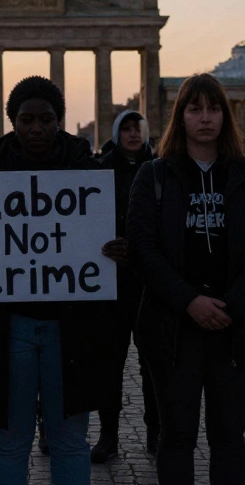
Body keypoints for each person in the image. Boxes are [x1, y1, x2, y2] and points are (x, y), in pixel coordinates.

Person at [0, 76, 121, 485]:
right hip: (7, 326)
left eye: (46, 119)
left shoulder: (88, 167)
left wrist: (119, 249)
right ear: (12, 121)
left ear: (59, 120)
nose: (36, 128)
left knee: (69, 440)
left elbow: (112, 231)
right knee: (9, 441)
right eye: (26, 119)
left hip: (73, 328)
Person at [129, 74, 245, 484]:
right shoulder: (154, 175)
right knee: (176, 437)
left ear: (227, 117)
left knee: (229, 437)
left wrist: (233, 303)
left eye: (214, 109)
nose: (206, 118)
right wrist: (189, 301)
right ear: (180, 118)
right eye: (195, 109)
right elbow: (142, 249)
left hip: (235, 326)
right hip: (172, 329)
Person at [92, 109, 158, 462]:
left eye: (139, 128)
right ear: (117, 133)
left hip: (148, 282)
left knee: (153, 362)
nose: (134, 134)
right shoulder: (100, 169)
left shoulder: (160, 169)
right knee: (108, 362)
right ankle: (109, 435)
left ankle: (155, 432)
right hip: (109, 280)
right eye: (127, 129)